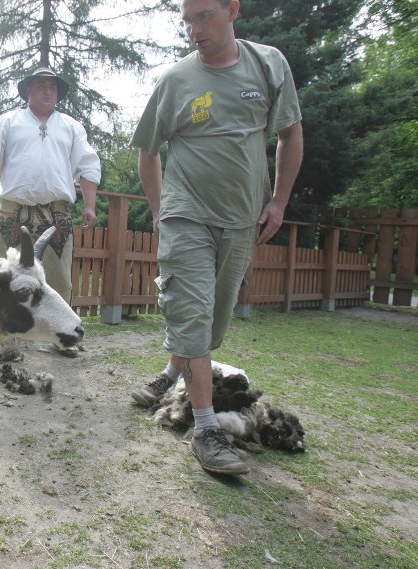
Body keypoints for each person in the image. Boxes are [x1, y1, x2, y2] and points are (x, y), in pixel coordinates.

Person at [129, 0, 303, 475]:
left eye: (203, 16)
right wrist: (163, 208)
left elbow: (289, 133)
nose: (192, 29)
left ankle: (171, 374)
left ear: (232, 9)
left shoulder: (268, 64)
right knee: (191, 311)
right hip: (187, 216)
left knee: (210, 328)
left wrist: (278, 201)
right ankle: (207, 429)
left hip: (242, 219)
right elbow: (148, 151)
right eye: (186, 20)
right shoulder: (175, 81)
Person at [0, 66, 100, 359]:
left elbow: (88, 166)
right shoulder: (7, 122)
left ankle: (63, 338)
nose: (48, 90)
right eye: (41, 85)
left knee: (61, 280)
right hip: (12, 213)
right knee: (8, 283)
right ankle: (6, 344)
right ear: (27, 90)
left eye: (53, 86)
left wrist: (89, 204)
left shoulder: (71, 126)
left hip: (57, 216)